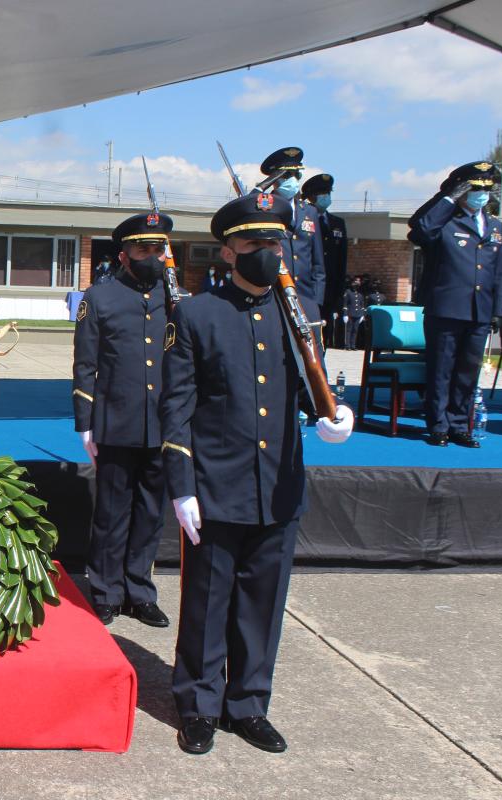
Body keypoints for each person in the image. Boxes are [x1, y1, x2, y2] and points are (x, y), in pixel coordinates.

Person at [161, 192, 354, 756]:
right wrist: (182, 485)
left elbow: (309, 386)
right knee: (207, 603)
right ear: (227, 251)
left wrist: (335, 415)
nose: (268, 253)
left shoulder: (297, 311)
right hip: (216, 486)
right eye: (254, 243)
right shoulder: (196, 314)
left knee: (262, 606)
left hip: (279, 485)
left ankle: (247, 704)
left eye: (275, 242)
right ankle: (198, 703)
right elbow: (176, 407)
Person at [73, 212, 173, 628]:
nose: (151, 256)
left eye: (158, 248)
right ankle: (107, 590)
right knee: (113, 514)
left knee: (150, 513)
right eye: (142, 249)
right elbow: (85, 363)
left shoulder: (175, 298)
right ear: (125, 254)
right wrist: (85, 423)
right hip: (116, 421)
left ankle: (139, 591)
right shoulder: (100, 297)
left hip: (164, 424)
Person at [409, 161, 502, 449]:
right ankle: (438, 425)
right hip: (446, 307)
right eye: (475, 189)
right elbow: (420, 229)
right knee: (441, 369)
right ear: (463, 190)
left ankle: (459, 425)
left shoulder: (494, 225)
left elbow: (499, 272)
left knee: (467, 372)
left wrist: (498, 310)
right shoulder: (445, 221)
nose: (482, 195)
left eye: (487, 190)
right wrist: (449, 198)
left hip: (480, 309)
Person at [253, 147, 324, 311]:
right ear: (274, 178)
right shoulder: (264, 206)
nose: (292, 180)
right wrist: (261, 188)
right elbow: (245, 206)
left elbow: (318, 263)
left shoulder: (310, 211)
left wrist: (317, 300)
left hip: (306, 295)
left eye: (296, 175)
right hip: (273, 292)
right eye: (286, 175)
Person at [304, 174, 348, 348]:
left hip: (329, 292)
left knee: (324, 336)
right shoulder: (303, 219)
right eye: (321, 193)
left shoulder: (337, 223)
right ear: (310, 196)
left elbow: (341, 261)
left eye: (328, 192)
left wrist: (339, 295)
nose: (326, 197)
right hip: (307, 289)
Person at [341, 274, 367, 350]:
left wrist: (362, 315)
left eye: (359, 281)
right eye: (356, 281)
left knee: (355, 330)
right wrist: (345, 314)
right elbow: (345, 304)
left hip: (358, 314)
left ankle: (353, 345)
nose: (357, 283)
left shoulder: (360, 293)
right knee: (349, 330)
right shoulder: (348, 292)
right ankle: (347, 345)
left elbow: (362, 305)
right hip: (350, 314)